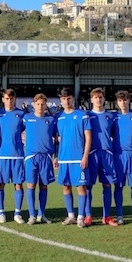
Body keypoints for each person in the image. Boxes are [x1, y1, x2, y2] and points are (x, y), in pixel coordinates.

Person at [55, 87, 91, 228]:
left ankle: (81, 217)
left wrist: (85, 156)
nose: (66, 101)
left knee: (81, 188)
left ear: (73, 99)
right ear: (61, 100)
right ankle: (71, 216)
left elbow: (88, 138)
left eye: (68, 98)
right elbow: (57, 139)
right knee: (66, 187)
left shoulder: (82, 115)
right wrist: (56, 156)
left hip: (78, 158)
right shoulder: (58, 117)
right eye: (63, 98)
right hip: (64, 158)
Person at [23, 93, 57, 225]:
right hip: (31, 157)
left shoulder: (51, 120)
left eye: (43, 104)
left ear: (46, 105)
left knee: (44, 186)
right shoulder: (26, 118)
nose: (40, 106)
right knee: (31, 185)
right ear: (34, 104)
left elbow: (56, 138)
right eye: (38, 104)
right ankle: (32, 215)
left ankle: (41, 214)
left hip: (46, 157)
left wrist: (56, 156)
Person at [86, 87, 118, 226]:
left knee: (107, 185)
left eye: (100, 97)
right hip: (92, 154)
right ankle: (88, 216)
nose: (98, 99)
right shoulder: (86, 116)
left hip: (107, 154)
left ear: (104, 99)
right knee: (88, 185)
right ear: (91, 99)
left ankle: (107, 216)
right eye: (95, 97)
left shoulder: (111, 116)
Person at [0, 89, 26, 224]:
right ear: (3, 100)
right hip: (3, 155)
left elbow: (24, 128)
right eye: (7, 99)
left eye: (11, 99)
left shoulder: (21, 114)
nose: (9, 101)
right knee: (1, 184)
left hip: (18, 155)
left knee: (18, 184)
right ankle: (1, 212)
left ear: (15, 99)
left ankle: (17, 213)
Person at [112, 90, 132, 225]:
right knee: (118, 186)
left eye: (125, 100)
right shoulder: (113, 117)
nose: (122, 103)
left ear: (129, 101)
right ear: (117, 102)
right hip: (118, 155)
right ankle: (120, 215)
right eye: (120, 100)